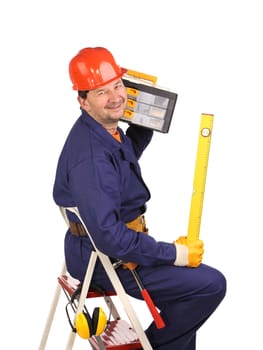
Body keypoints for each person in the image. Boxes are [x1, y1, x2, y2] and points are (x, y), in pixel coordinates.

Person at [53, 47, 226, 350]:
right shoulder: (92, 160)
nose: (116, 97)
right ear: (82, 101)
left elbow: (123, 155)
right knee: (208, 285)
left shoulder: (103, 131)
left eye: (118, 86)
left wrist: (145, 116)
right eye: (101, 92)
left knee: (189, 298)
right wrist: (175, 254)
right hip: (105, 257)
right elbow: (110, 237)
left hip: (110, 244)